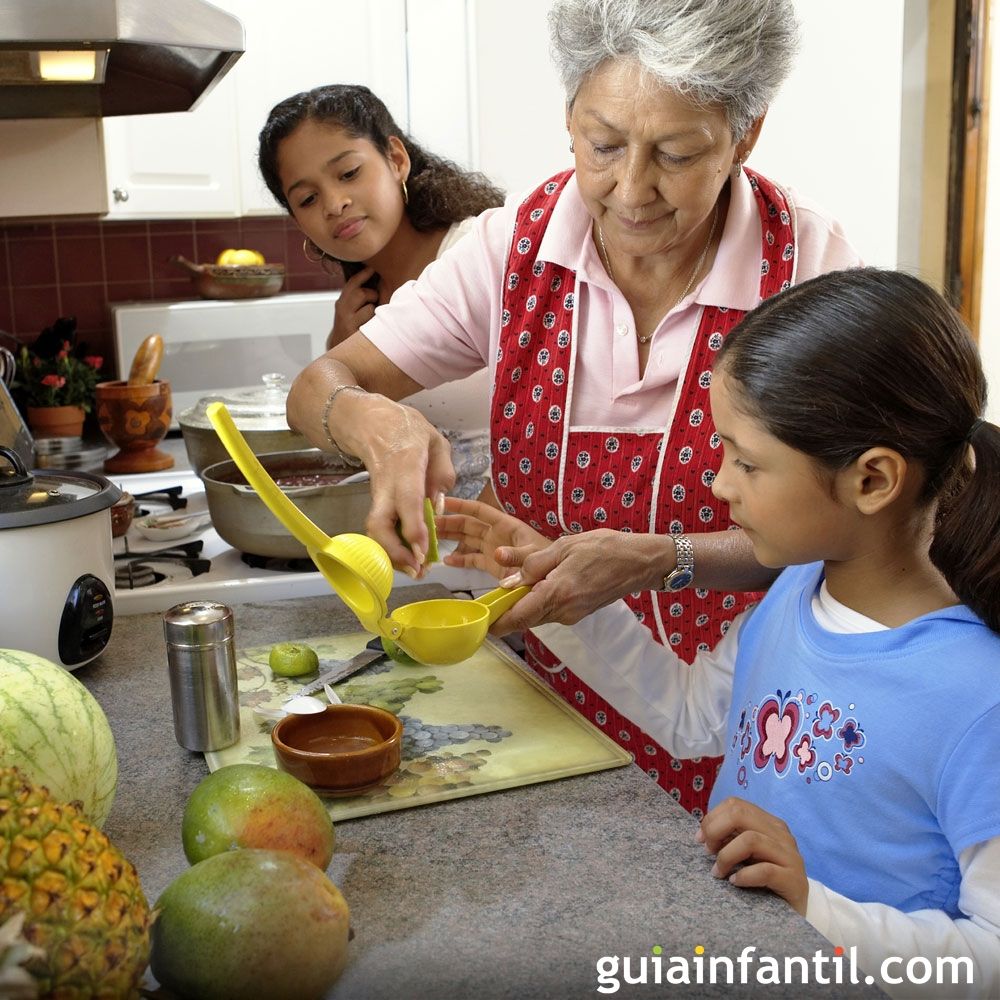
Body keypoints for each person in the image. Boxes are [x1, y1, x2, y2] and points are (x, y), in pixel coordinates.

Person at [285, 0, 863, 814]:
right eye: (603, 145)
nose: (631, 191)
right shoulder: (513, 249)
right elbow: (318, 386)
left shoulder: (807, 270)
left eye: (676, 153)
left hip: (739, 731)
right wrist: (373, 421)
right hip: (535, 711)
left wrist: (666, 557)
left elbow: (850, 530)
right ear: (568, 118)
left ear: (746, 134)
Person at [441, 268, 1000, 995]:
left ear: (872, 481)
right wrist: (565, 600)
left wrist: (812, 906)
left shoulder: (977, 698)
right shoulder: (801, 589)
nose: (719, 484)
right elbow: (690, 716)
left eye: (747, 461)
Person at [257, 83, 505, 500]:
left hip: (517, 536)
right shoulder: (358, 307)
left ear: (396, 159)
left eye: (349, 173)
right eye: (307, 198)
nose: (334, 204)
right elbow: (357, 435)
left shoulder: (480, 254)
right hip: (428, 545)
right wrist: (340, 348)